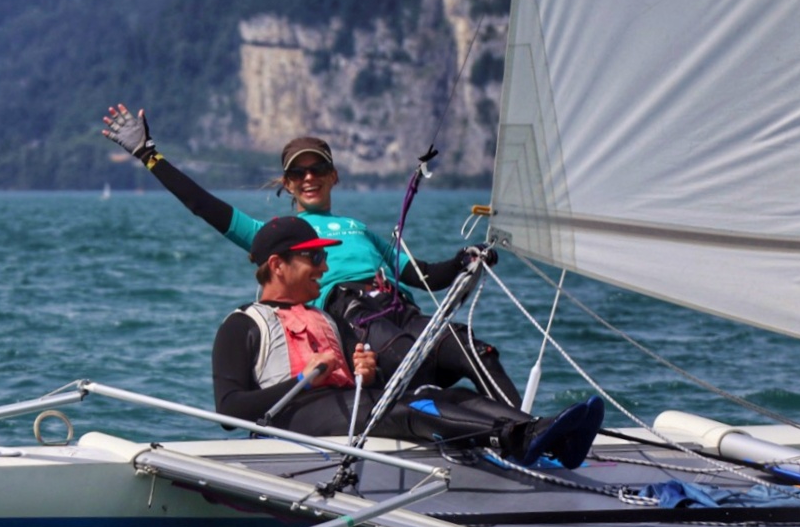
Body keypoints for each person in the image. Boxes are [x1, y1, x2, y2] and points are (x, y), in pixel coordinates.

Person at [104, 103, 520, 405]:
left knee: (474, 351)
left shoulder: (359, 229)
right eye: (297, 173)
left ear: (333, 176)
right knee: (410, 360)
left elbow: (421, 275)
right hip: (356, 321)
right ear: (286, 184)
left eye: (317, 170)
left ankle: (523, 435)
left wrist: (465, 258)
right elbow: (203, 205)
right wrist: (149, 155)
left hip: (402, 310)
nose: (308, 178)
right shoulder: (274, 236)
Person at [214, 216, 603, 467]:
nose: (325, 268)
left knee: (440, 394)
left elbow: (361, 391)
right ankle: (516, 439)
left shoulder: (323, 320)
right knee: (410, 409)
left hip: (349, 412)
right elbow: (230, 410)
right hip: (292, 426)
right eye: (312, 259)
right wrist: (304, 381)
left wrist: (362, 373)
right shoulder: (242, 324)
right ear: (278, 265)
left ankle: (543, 434)